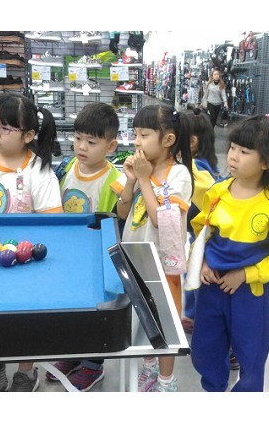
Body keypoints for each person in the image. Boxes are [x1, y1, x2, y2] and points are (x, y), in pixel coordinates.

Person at [190, 114, 269, 392]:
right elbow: (201, 231)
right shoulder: (217, 192)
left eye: (245, 151)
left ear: (267, 162)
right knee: (205, 347)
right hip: (212, 286)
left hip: (249, 293)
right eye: (233, 148)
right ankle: (213, 389)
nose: (233, 156)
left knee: (251, 353)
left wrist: (246, 275)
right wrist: (202, 262)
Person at [0, 92, 62, 392]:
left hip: (25, 261)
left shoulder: (41, 172)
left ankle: (25, 370)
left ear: (29, 135)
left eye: (5, 128)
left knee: (26, 318)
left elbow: (53, 224)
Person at [111, 104, 194, 392]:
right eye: (135, 134)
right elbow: (122, 212)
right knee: (143, 316)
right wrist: (131, 181)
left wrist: (144, 179)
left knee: (165, 321)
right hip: (135, 257)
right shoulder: (138, 166)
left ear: (168, 139)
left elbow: (161, 220)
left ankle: (166, 381)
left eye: (144, 135)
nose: (136, 141)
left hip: (162, 263)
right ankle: (148, 368)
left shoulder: (179, 174)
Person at [45, 101, 121, 391]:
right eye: (78, 138)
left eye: (91, 141)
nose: (81, 146)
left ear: (111, 146)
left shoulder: (115, 181)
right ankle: (73, 352)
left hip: (95, 257)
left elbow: (118, 221)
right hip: (66, 253)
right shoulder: (66, 168)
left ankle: (93, 363)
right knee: (70, 306)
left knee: (96, 310)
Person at [182, 108, 220, 334]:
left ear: (192, 142)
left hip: (204, 237)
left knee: (196, 274)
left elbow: (214, 199)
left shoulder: (194, 170)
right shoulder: (206, 165)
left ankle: (198, 319)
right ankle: (192, 315)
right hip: (199, 236)